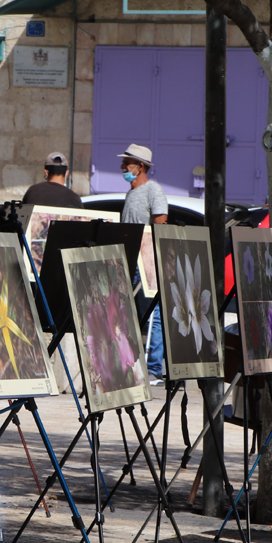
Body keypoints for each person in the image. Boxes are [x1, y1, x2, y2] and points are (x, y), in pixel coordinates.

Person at [118, 144, 168, 383]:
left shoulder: (152, 190)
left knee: (154, 313)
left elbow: (161, 220)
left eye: (127, 163)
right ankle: (132, 363)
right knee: (131, 312)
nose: (122, 167)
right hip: (130, 260)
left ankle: (154, 367)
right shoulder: (130, 194)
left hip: (147, 261)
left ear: (140, 166)